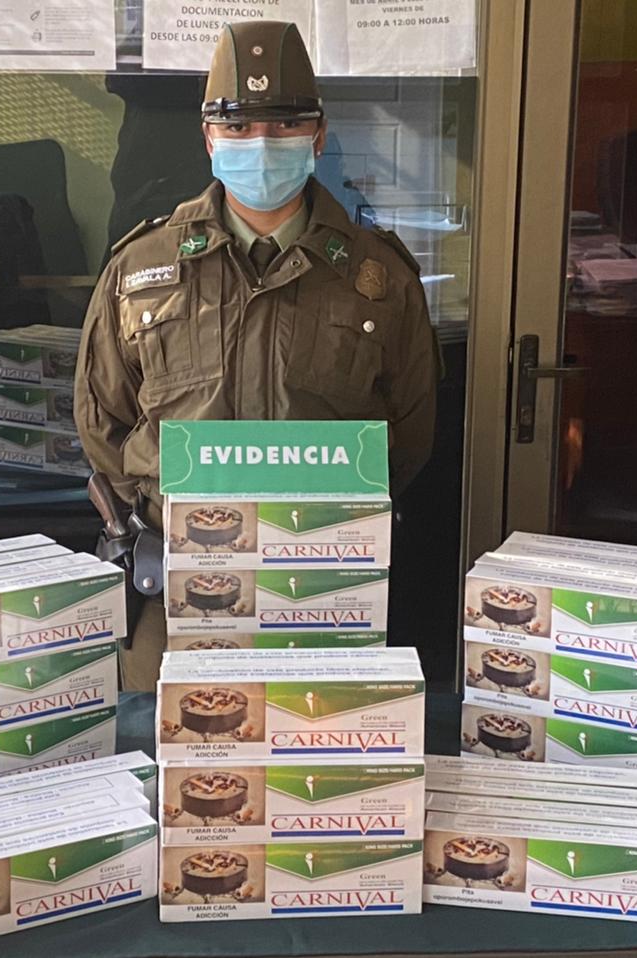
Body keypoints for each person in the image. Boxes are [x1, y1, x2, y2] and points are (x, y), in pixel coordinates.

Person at [75, 20, 439, 689]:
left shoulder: (378, 279)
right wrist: (167, 514)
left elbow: (408, 435)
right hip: (174, 590)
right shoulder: (142, 269)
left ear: (318, 137)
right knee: (175, 748)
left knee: (319, 749)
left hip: (326, 588)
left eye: (285, 125)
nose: (261, 145)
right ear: (208, 137)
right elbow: (103, 422)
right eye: (238, 126)